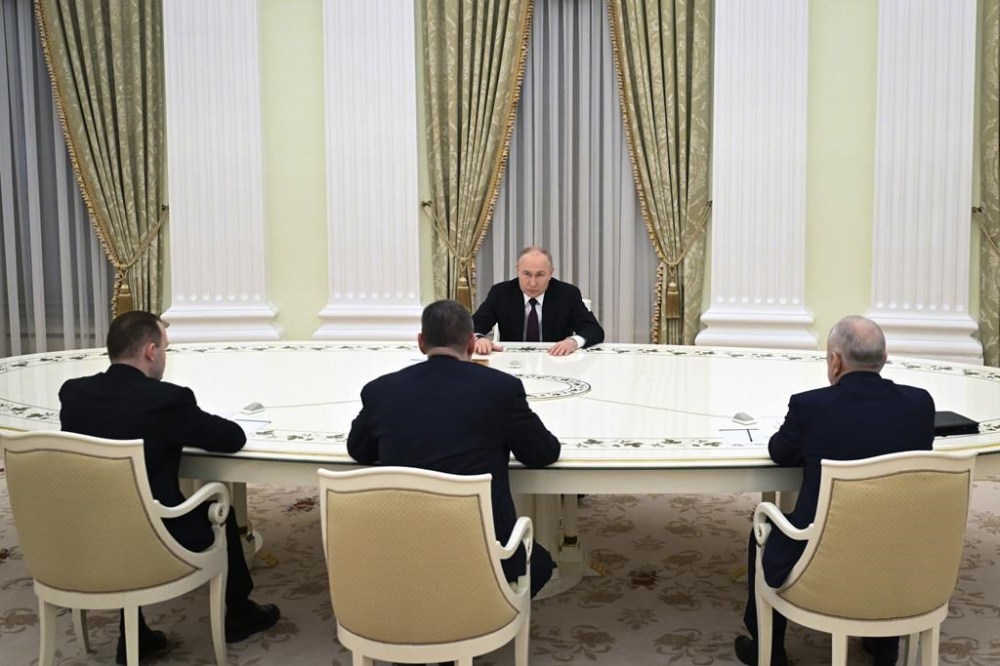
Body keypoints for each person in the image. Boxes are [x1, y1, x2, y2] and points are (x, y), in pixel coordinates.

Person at [59, 311, 280, 664]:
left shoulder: (73, 394)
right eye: (165, 348)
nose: (164, 355)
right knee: (223, 513)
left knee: (120, 509)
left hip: (92, 531)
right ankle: (239, 612)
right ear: (151, 351)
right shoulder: (165, 400)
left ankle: (134, 634)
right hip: (156, 535)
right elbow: (231, 438)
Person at [734, 316, 935, 666]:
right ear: (884, 357)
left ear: (835, 361)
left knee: (762, 531)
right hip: (899, 552)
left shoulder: (810, 407)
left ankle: (769, 649)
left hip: (822, 556)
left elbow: (780, 452)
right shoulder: (920, 404)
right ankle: (884, 647)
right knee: (886, 523)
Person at [347, 299, 561, 597]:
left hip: (401, 548)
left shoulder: (380, 391)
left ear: (421, 342)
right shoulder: (501, 389)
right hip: (484, 554)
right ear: (472, 343)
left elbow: (359, 451)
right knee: (542, 565)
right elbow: (543, 454)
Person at [472, 246, 604, 356]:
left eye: (540, 275)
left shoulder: (568, 294)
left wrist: (573, 342)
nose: (533, 283)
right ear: (517, 271)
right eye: (527, 274)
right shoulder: (501, 293)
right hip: (513, 362)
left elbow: (594, 330)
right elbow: (474, 325)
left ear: (550, 273)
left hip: (556, 360)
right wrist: (479, 338)